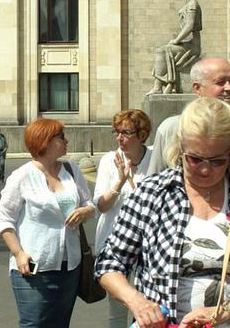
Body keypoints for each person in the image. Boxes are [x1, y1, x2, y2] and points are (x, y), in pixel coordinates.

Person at [95, 97, 230, 328]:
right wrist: (138, 303)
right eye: (195, 159)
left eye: (217, 161)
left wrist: (229, 309)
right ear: (180, 147)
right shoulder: (151, 194)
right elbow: (110, 263)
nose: (205, 170)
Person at [0, 118, 96, 328]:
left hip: (70, 266)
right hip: (34, 268)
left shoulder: (71, 170)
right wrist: (18, 253)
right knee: (34, 324)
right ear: (45, 141)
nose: (67, 141)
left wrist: (84, 211)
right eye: (61, 137)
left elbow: (89, 204)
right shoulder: (21, 176)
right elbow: (4, 220)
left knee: (60, 324)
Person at [146, 57, 230, 187]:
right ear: (197, 88)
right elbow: (151, 187)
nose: (229, 88)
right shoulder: (170, 128)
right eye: (220, 82)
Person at [92, 109, 154, 328]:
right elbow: (101, 205)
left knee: (147, 307)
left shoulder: (155, 158)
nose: (120, 138)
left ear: (142, 134)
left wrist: (132, 180)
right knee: (117, 310)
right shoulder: (109, 160)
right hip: (116, 243)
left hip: (149, 245)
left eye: (126, 132)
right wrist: (119, 182)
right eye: (116, 132)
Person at [147, 0, 203, 95]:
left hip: (193, 45)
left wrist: (176, 40)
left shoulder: (193, 5)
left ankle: (161, 86)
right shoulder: (188, 5)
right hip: (186, 44)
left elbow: (189, 26)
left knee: (163, 50)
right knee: (163, 50)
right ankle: (161, 85)